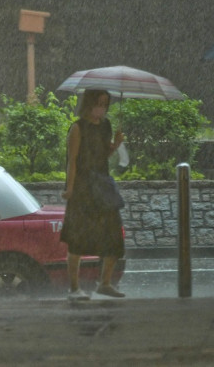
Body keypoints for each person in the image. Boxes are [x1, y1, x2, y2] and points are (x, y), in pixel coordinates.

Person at [60, 89, 126, 301]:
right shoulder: (77, 128)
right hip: (82, 188)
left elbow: (102, 155)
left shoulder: (106, 126)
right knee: (78, 238)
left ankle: (104, 283)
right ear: (89, 103)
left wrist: (115, 145)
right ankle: (74, 288)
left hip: (103, 186)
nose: (102, 108)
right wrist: (69, 188)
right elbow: (72, 160)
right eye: (98, 103)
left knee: (114, 236)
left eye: (106, 104)